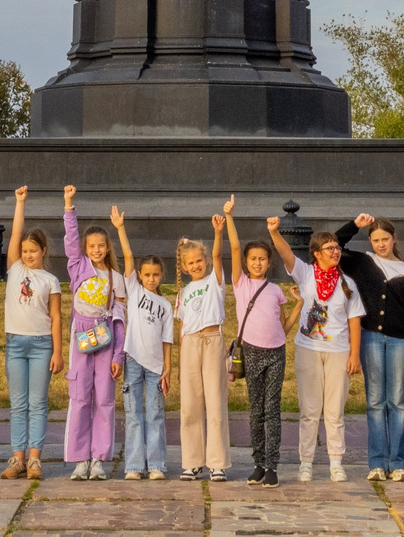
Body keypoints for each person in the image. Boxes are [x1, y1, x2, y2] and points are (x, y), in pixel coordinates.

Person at [269, 216, 364, 483]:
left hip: (338, 352)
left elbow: (354, 320)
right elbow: (286, 253)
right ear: (316, 254)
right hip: (308, 349)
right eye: (330, 248)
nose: (336, 252)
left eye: (337, 248)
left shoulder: (348, 284)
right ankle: (306, 463)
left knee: (334, 411)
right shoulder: (306, 274)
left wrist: (354, 355)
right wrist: (274, 232)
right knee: (309, 411)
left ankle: (336, 462)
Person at [337, 212, 404, 482]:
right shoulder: (363, 262)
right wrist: (355, 226)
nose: (380, 244)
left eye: (385, 239)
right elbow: (333, 246)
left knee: (396, 402)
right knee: (375, 401)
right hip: (370, 338)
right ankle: (376, 462)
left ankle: (398, 463)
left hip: (400, 341)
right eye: (375, 240)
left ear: (393, 239)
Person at [59, 186, 129, 479]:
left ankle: (99, 458)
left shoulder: (115, 277)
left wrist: (118, 356)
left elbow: (120, 320)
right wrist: (69, 205)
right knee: (80, 397)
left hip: (104, 339)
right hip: (81, 338)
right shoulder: (78, 268)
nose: (96, 250)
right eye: (92, 246)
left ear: (107, 248)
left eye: (101, 245)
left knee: (103, 398)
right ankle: (79, 458)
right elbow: (71, 240)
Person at [0, 186, 64, 481]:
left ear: (43, 252)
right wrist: (19, 203)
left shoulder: (50, 280)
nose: (27, 255)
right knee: (18, 403)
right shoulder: (14, 269)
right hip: (15, 343)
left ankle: (35, 460)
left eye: (32, 251)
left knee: (38, 403)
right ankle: (17, 458)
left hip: (41, 346)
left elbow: (56, 317)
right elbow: (14, 235)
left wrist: (58, 352)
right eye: (24, 251)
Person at [174, 199, 235, 482]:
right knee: (190, 404)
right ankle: (192, 461)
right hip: (190, 344)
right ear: (185, 267)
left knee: (214, 400)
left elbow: (220, 256)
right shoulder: (184, 292)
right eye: (191, 263)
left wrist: (218, 232)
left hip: (212, 341)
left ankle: (217, 462)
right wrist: (178, 359)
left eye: (200, 260)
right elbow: (183, 326)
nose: (196, 265)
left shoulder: (214, 282)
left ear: (206, 261)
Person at [230, 233, 289, 485]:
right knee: (256, 411)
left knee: (272, 410)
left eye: (262, 259)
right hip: (252, 352)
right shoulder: (241, 284)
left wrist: (299, 305)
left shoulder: (276, 290)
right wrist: (229, 217)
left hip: (276, 352)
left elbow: (284, 326)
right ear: (245, 261)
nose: (257, 263)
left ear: (269, 262)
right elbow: (234, 246)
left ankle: (272, 467)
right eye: (253, 259)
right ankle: (258, 463)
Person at [122, 232, 175, 480]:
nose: (151, 279)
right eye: (147, 275)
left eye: (155, 275)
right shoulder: (133, 291)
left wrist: (168, 367)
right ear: (139, 276)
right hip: (132, 359)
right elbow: (128, 256)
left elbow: (167, 340)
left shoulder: (165, 305)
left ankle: (156, 464)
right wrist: (121, 228)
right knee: (133, 414)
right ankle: (133, 465)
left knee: (155, 414)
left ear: (161, 275)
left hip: (155, 367)